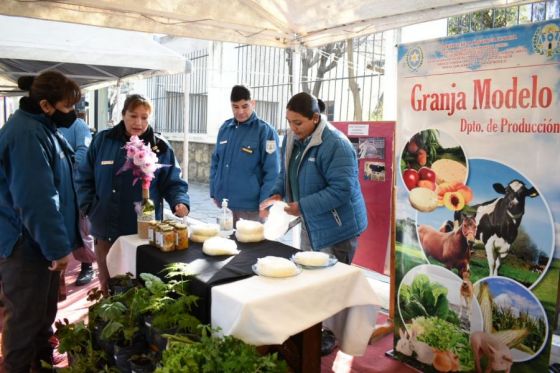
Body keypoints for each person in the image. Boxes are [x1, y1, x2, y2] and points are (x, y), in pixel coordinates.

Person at [0, 71, 82, 372]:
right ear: (46, 105)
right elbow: (37, 200)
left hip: (38, 244)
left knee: (41, 316)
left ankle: (41, 364)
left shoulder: (42, 127)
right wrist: (58, 250)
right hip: (26, 245)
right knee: (23, 323)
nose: (73, 112)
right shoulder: (27, 135)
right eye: (68, 106)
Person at [75, 94, 190, 295]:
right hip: (107, 229)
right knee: (109, 284)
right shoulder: (103, 140)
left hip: (143, 232)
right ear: (123, 115)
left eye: (144, 117)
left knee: (141, 287)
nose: (138, 122)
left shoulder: (160, 146)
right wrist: (89, 206)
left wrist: (179, 201)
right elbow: (84, 177)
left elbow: (173, 181)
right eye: (133, 115)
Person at [260, 92, 367, 264]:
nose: (293, 128)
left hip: (336, 230)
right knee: (309, 277)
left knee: (331, 286)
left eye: (298, 123)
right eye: (289, 121)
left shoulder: (336, 144)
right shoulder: (291, 138)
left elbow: (342, 190)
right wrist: (278, 193)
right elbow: (285, 172)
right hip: (309, 222)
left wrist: (302, 206)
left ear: (315, 118)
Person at [210, 85, 280, 223]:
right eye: (235, 107)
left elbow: (272, 172)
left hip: (251, 209)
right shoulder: (225, 128)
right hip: (225, 207)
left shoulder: (265, 131)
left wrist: (266, 205)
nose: (240, 111)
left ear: (253, 103)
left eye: (245, 106)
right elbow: (215, 162)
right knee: (225, 242)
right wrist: (214, 192)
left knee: (250, 244)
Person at [59, 114, 96, 287]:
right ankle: (58, 270)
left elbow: (84, 150)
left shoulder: (79, 125)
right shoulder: (47, 124)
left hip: (76, 183)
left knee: (83, 227)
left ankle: (87, 265)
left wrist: (64, 168)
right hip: (56, 186)